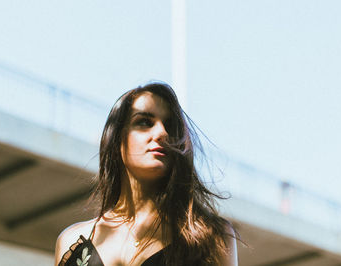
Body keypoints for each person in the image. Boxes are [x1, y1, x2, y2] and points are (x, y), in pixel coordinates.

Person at [55, 82, 238, 265]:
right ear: (117, 139)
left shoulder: (212, 237)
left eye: (169, 125)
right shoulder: (70, 241)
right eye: (144, 122)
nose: (162, 133)